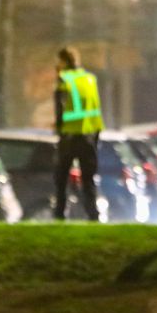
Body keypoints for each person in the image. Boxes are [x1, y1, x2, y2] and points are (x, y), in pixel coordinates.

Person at [53, 47, 104, 221]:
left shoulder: (64, 79)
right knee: (88, 179)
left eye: (59, 61)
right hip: (89, 136)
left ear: (64, 62)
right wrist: (96, 136)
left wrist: (59, 130)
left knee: (61, 178)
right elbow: (96, 109)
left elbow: (59, 108)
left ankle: (60, 215)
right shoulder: (90, 80)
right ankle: (93, 215)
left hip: (69, 136)